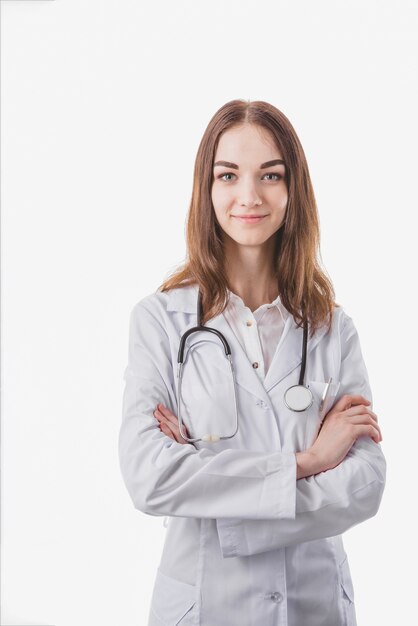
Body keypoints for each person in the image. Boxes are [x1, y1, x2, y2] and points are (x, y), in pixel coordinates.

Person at [118, 99, 386, 626]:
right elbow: (149, 477)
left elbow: (364, 484)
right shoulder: (161, 321)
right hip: (203, 604)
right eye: (228, 175)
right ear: (207, 188)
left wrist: (221, 502)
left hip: (314, 605)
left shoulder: (332, 327)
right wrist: (304, 465)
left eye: (270, 175)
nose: (249, 196)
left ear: (293, 190)